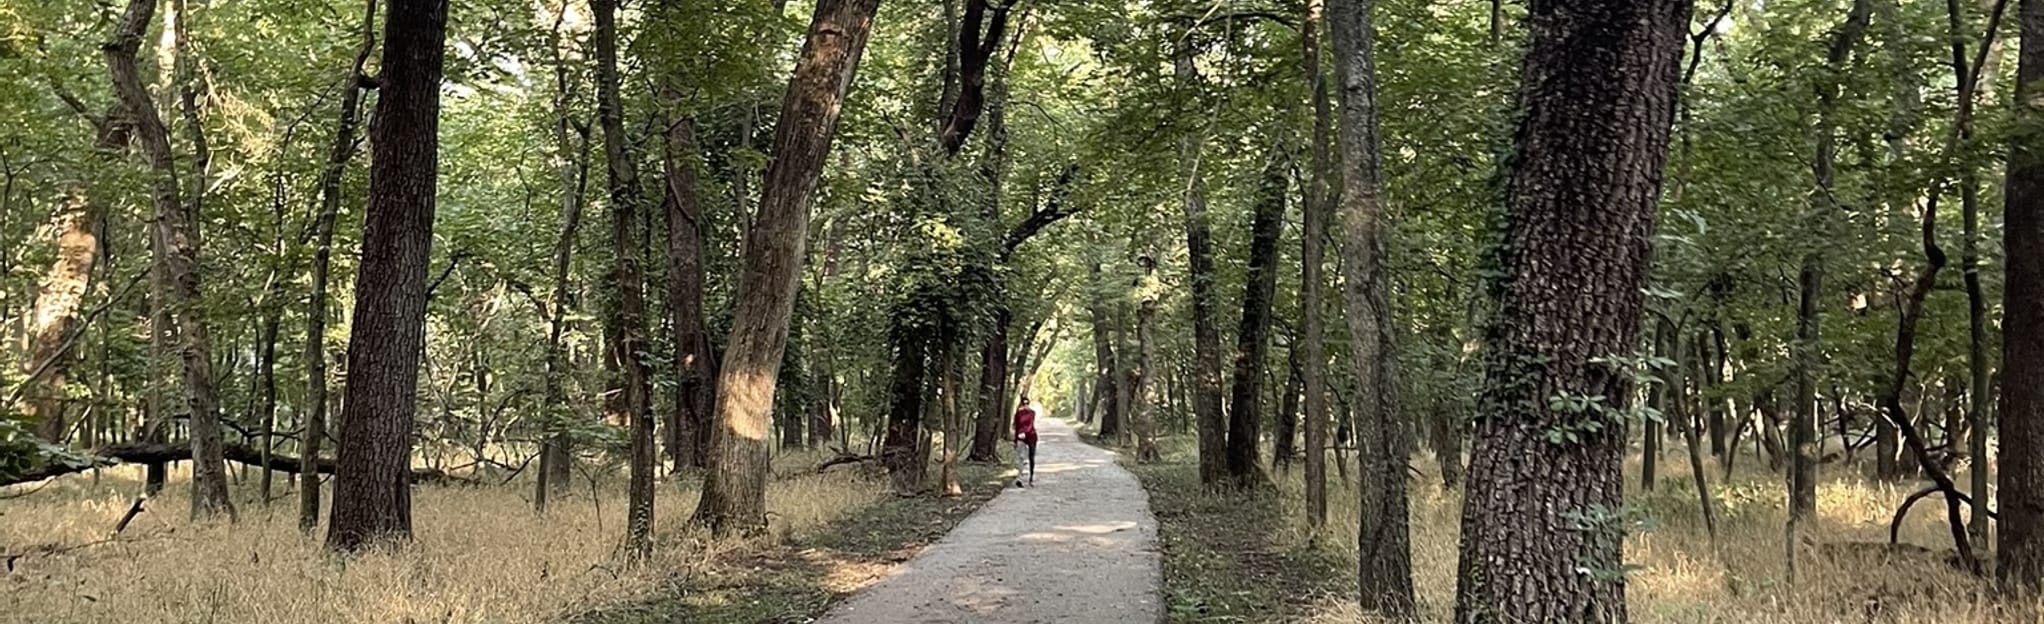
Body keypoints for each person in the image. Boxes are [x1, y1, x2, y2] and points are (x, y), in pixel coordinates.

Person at [1012, 396, 1039, 488]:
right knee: (1021, 457)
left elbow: (1031, 425)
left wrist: (1025, 433)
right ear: (1021, 404)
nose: (1026, 405)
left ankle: (1031, 478)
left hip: (1031, 436)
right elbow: (1016, 427)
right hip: (1021, 437)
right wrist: (1016, 439)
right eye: (1024, 403)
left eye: (1027, 403)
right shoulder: (1018, 414)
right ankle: (1019, 478)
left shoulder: (1032, 413)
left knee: (1031, 457)